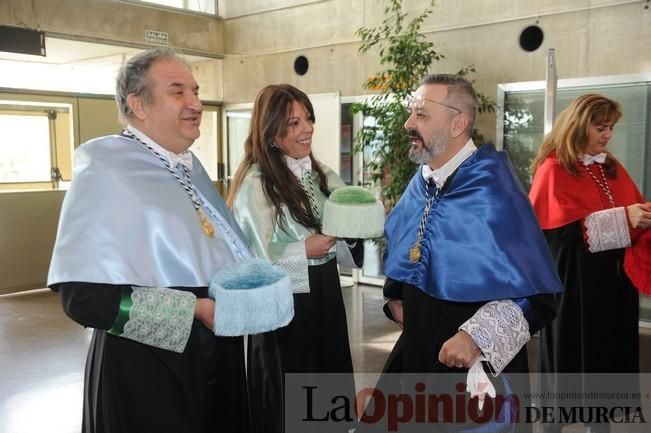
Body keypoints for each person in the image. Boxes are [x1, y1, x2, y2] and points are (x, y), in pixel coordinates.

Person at [47, 48, 251, 433]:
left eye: (195, 91)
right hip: (146, 371)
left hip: (214, 359)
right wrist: (190, 311)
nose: (195, 103)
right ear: (138, 105)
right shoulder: (106, 167)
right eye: (178, 92)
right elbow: (84, 299)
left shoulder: (188, 168)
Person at [370, 74, 563, 432]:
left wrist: (476, 336)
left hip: (474, 370)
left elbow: (541, 296)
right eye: (412, 112)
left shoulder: (495, 191)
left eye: (422, 115)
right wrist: (395, 297)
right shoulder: (423, 181)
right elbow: (409, 255)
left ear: (458, 122)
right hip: (418, 354)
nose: (409, 123)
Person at [227, 84, 361, 433]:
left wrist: (354, 227)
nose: (308, 129)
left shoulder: (321, 175)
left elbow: (346, 234)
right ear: (271, 132)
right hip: (283, 308)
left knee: (326, 385)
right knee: (291, 398)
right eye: (294, 122)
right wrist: (305, 249)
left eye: (308, 119)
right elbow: (252, 262)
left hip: (325, 295)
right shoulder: (256, 183)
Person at [529, 94, 651, 433]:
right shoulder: (554, 168)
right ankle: (557, 423)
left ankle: (599, 422)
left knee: (608, 350)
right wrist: (624, 217)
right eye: (601, 127)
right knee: (572, 349)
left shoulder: (609, 165)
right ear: (579, 125)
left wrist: (640, 216)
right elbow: (561, 232)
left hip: (614, 278)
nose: (608, 134)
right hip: (575, 279)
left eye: (611, 127)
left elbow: (632, 206)